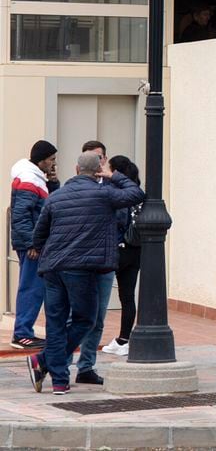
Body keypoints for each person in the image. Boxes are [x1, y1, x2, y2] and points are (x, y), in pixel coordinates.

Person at [25, 151, 145, 395]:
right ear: (98, 171)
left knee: (56, 323)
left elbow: (39, 234)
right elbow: (136, 194)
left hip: (52, 268)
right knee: (86, 319)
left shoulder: (56, 196)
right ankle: (45, 362)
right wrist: (113, 175)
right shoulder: (104, 194)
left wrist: (43, 249)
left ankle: (59, 381)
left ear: (76, 169)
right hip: (81, 268)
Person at [72, 140, 116, 382]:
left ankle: (86, 367)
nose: (95, 163)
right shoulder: (73, 187)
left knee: (97, 318)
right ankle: (59, 364)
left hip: (103, 262)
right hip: (78, 263)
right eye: (90, 158)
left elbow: (129, 204)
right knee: (75, 316)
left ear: (104, 161)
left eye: (98, 158)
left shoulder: (111, 189)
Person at [10, 140, 58, 350]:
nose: (54, 163)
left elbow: (46, 205)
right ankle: (22, 334)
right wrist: (32, 243)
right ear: (42, 160)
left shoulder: (37, 178)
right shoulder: (29, 179)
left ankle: (24, 332)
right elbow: (21, 215)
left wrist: (53, 183)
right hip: (32, 245)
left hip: (35, 243)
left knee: (35, 287)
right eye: (51, 159)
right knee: (31, 287)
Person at [101, 156, 142, 358]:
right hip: (135, 250)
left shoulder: (118, 194)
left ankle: (91, 336)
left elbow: (117, 222)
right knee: (127, 297)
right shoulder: (137, 192)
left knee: (99, 293)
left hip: (119, 250)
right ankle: (123, 340)